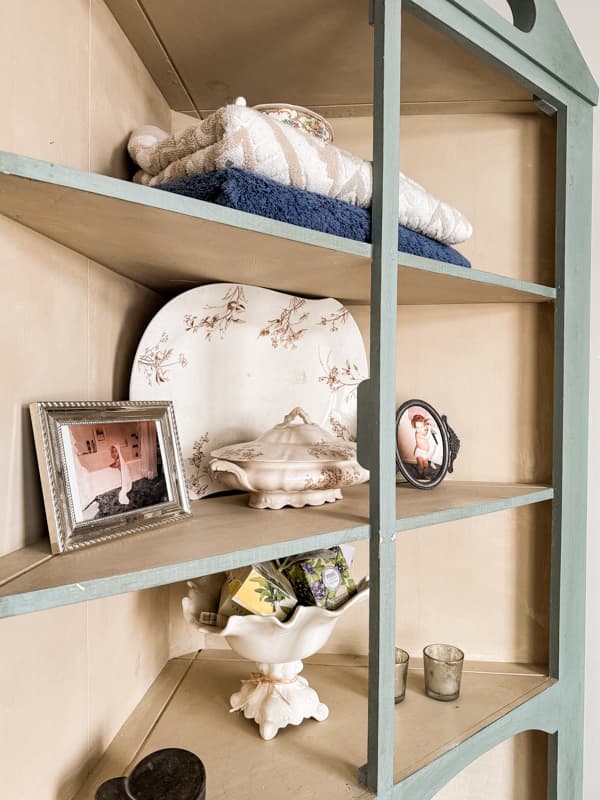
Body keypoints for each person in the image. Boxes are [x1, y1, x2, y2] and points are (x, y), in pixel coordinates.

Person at [412, 414, 436, 480]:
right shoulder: (417, 434)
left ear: (424, 426)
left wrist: (428, 427)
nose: (419, 429)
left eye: (421, 427)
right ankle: (420, 476)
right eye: (417, 427)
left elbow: (427, 429)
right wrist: (429, 429)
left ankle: (425, 476)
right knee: (421, 466)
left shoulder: (423, 431)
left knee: (426, 465)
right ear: (415, 427)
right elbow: (427, 437)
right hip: (419, 452)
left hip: (425, 452)